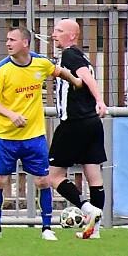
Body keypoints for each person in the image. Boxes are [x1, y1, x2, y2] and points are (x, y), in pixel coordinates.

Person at [0, 26, 74, 240]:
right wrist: (11, 115)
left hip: (34, 136)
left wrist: (77, 82)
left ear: (25, 43)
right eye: (7, 39)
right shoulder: (2, 69)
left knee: (43, 181)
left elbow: (59, 71)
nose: (8, 43)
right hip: (5, 136)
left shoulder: (41, 63)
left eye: (12, 40)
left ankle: (47, 228)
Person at [46, 19, 109, 240]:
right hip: (92, 123)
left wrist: (100, 100)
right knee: (94, 177)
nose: (54, 34)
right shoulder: (82, 56)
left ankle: (86, 208)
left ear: (72, 35)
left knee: (53, 176)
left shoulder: (69, 55)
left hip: (74, 122)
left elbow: (86, 77)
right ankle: (94, 231)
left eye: (59, 31)